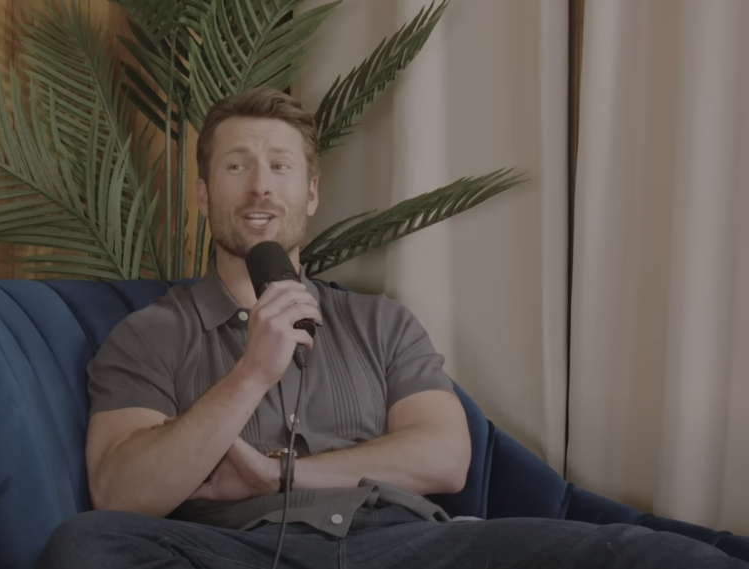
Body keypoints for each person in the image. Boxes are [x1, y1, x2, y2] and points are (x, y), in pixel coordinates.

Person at [36, 87, 747, 569]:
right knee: (83, 543)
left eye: (280, 167)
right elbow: (121, 492)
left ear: (309, 193)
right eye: (236, 166)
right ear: (203, 195)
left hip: (399, 542)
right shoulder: (150, 333)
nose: (260, 186)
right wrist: (249, 373)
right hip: (237, 551)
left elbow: (446, 456)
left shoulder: (378, 321)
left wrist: (281, 472)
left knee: (653, 555)